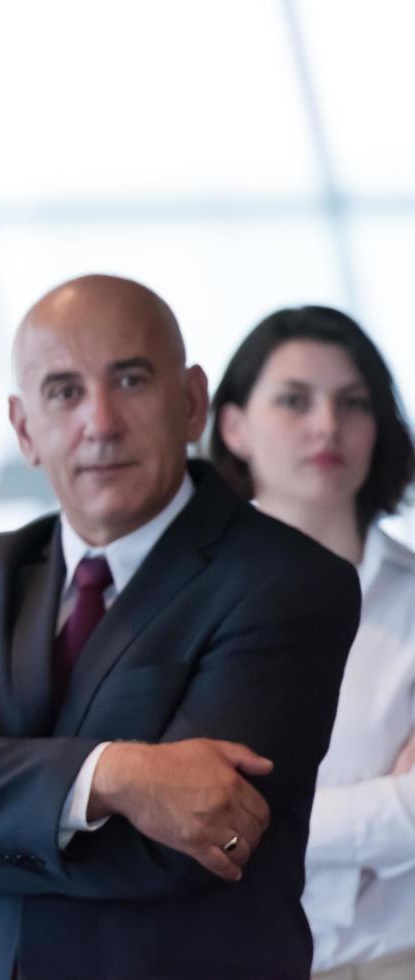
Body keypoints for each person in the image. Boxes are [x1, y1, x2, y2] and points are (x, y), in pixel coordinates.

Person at [0, 274, 363, 979]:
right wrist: (117, 774)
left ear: (190, 404)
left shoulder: (288, 581)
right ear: (24, 428)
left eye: (128, 380)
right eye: (63, 391)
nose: (99, 422)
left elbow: (183, 850)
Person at [211, 305, 415, 979]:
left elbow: (220, 824)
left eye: (352, 402)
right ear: (232, 425)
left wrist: (249, 822)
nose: (327, 424)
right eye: (294, 401)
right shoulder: (177, 605)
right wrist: (386, 808)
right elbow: (168, 828)